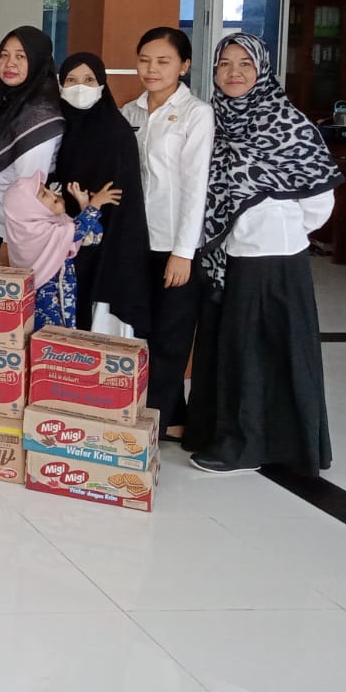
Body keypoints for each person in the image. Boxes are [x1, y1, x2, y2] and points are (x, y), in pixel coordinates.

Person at [184, 34, 342, 475]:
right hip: (226, 257)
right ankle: (222, 434)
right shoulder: (213, 120)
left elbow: (319, 201)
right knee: (230, 349)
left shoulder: (288, 122)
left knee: (259, 353)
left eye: (245, 64)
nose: (234, 73)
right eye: (225, 64)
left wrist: (276, 228)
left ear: (262, 70)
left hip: (274, 258)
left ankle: (249, 446)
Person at [122, 27, 214, 438]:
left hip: (175, 243)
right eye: (144, 60)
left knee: (172, 336)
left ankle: (154, 422)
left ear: (184, 65)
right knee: (142, 330)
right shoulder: (131, 112)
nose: (151, 69)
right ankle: (173, 418)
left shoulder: (197, 113)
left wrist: (184, 251)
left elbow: (196, 187)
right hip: (137, 240)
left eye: (163, 61)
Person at [54, 52, 152, 334]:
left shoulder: (115, 131)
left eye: (89, 80)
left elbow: (123, 200)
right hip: (64, 242)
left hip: (107, 247)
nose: (79, 87)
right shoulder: (60, 126)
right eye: (71, 80)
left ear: (101, 84)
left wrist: (91, 212)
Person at [0, 27, 65, 265]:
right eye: (4, 55)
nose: (9, 63)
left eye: (21, 56)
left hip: (14, 235)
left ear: (37, 61)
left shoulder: (38, 116)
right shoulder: (8, 106)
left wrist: (9, 243)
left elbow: (31, 189)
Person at [3, 174, 119, 331]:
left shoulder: (57, 224)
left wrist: (85, 205)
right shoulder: (36, 233)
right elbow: (77, 231)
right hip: (46, 302)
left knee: (59, 339)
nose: (52, 194)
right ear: (30, 208)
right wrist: (94, 205)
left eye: (47, 190)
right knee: (50, 339)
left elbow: (93, 237)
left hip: (64, 299)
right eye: (44, 195)